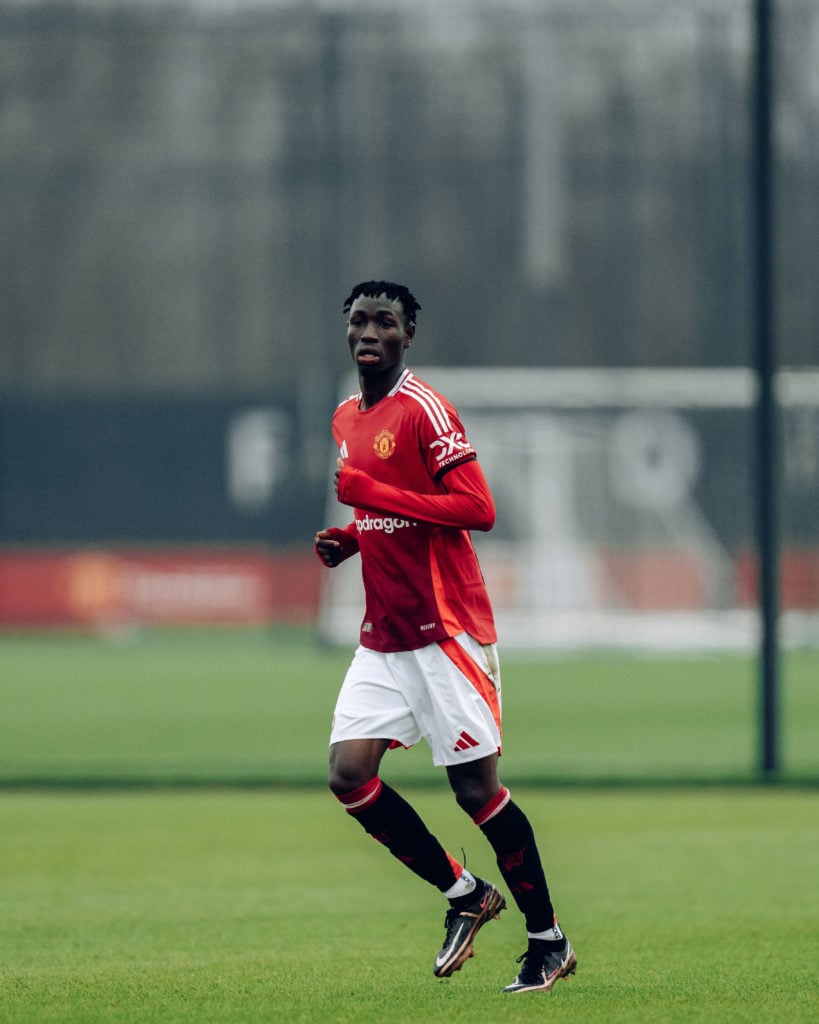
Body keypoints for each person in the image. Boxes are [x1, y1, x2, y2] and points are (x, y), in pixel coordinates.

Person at [314, 280, 576, 993]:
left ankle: (547, 940)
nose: (368, 332)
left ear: (407, 336)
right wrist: (351, 538)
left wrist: (369, 499)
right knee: (348, 775)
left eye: (384, 322)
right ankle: (464, 894)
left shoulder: (427, 410)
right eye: (358, 321)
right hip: (384, 635)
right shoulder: (346, 416)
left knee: (475, 792)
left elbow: (475, 508)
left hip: (445, 629)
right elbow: (396, 516)